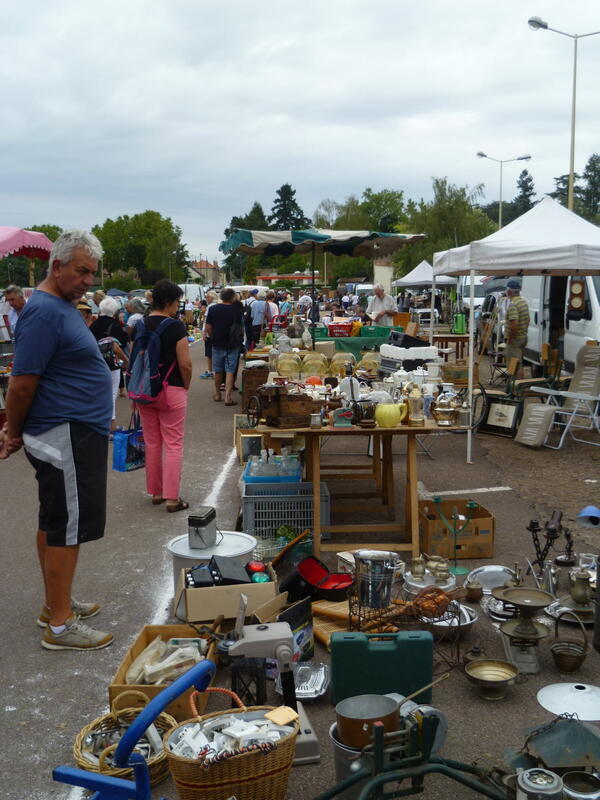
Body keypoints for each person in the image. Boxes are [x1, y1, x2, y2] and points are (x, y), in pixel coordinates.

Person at [0, 230, 113, 651]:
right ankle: (61, 626)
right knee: (68, 524)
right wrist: (12, 430)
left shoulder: (58, 306)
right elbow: (21, 384)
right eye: (82, 271)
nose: (88, 281)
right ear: (56, 266)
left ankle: (56, 604)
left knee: (55, 518)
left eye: (92, 274)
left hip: (71, 430)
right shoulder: (45, 312)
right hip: (64, 431)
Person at [135, 280, 192, 512]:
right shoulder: (176, 326)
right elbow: (185, 364)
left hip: (145, 390)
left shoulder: (140, 324)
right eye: (177, 301)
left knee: (152, 442)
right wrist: (186, 385)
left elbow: (136, 360)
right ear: (169, 301)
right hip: (172, 389)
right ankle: (172, 498)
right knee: (174, 443)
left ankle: (156, 492)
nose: (178, 306)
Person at [90, 297, 129, 431]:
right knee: (112, 394)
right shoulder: (116, 326)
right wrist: (126, 361)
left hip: (95, 364)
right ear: (114, 311)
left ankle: (97, 423)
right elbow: (118, 346)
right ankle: (111, 426)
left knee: (97, 394)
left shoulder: (94, 325)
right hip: (111, 364)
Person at [205, 288, 244, 405]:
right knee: (230, 371)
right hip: (232, 344)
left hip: (217, 343)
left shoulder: (213, 309)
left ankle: (217, 394)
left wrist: (213, 336)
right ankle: (227, 397)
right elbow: (239, 328)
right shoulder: (236, 310)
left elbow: (208, 328)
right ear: (232, 297)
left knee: (218, 371)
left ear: (221, 297)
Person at [505, 279, 530, 376]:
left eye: (507, 290)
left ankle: (515, 387)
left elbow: (514, 324)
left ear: (510, 291)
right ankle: (518, 385)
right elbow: (528, 320)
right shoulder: (523, 302)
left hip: (515, 340)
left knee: (514, 365)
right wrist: (524, 331)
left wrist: (511, 338)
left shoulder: (513, 304)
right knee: (519, 363)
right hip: (523, 337)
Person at [200, 291, 217, 378]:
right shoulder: (218, 305)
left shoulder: (210, 307)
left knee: (209, 353)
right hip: (217, 332)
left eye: (207, 297)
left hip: (209, 333)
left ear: (212, 297)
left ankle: (210, 371)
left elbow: (206, 322)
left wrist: (204, 333)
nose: (206, 298)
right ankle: (216, 371)